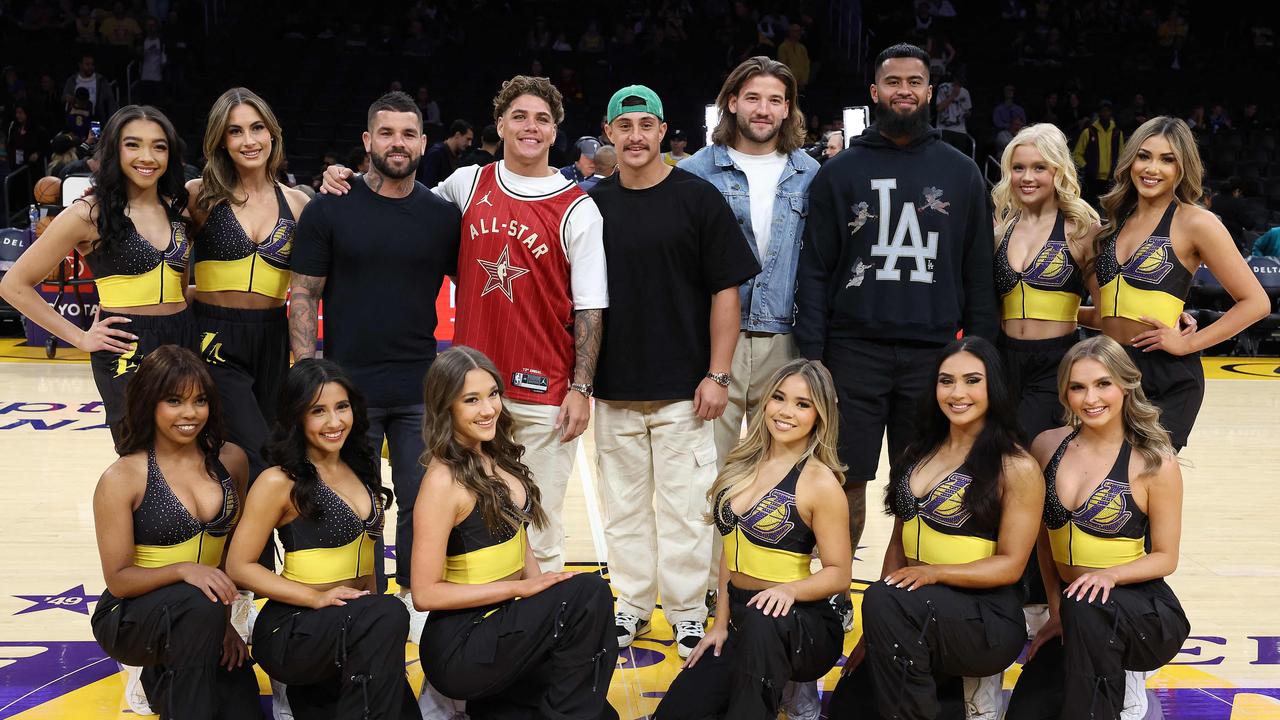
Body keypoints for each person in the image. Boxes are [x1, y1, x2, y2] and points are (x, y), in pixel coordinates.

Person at [321, 76, 608, 580]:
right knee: (462, 519)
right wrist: (345, 178)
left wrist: (581, 387)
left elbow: (589, 308)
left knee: (536, 519)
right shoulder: (468, 183)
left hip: (544, 389)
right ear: (499, 125)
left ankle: (541, 619)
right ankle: (464, 622)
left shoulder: (578, 207)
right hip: (468, 393)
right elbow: (399, 201)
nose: (530, 127)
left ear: (556, 130)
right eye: (519, 116)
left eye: (542, 118)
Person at [794, 42, 998, 571]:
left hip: (934, 351)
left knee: (926, 476)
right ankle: (833, 586)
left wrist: (981, 355)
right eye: (892, 82)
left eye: (913, 82)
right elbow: (814, 271)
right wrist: (812, 357)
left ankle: (909, 584)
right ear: (874, 91)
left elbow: (977, 273)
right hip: (852, 350)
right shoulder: (839, 172)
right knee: (845, 477)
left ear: (929, 92)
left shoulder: (961, 171)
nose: (903, 91)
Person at [588, 84, 760, 658]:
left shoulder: (698, 198)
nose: (636, 136)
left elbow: (726, 293)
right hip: (613, 389)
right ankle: (632, 605)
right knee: (625, 508)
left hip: (686, 390)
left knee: (688, 510)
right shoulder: (590, 205)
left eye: (646, 125)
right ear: (608, 134)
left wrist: (718, 374)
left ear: (664, 132)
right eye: (625, 125)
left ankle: (688, 610)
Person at [290, 91, 461, 625]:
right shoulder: (329, 209)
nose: (397, 143)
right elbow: (303, 294)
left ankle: (413, 595)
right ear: (367, 141)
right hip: (347, 390)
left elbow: (477, 291)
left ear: (423, 143)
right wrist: (307, 377)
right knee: (354, 504)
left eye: (408, 134)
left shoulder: (441, 216)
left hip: (419, 388)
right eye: (386, 133)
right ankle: (362, 598)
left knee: (419, 501)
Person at [826, 337, 1044, 720]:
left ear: (993, 385)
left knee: (884, 603)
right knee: (849, 706)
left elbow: (1011, 565)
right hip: (915, 609)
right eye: (947, 381)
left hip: (986, 618)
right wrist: (875, 632)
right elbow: (898, 542)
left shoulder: (1016, 466)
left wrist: (931, 574)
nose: (957, 393)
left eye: (972, 380)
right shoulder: (916, 452)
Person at [678, 56, 822, 630]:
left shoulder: (813, 174)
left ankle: (781, 589)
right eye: (753, 97)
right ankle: (713, 598)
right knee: (711, 476)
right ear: (731, 102)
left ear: (788, 109)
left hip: (787, 340)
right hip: (714, 344)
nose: (764, 109)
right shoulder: (694, 171)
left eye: (776, 100)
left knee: (782, 479)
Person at [411, 346, 620, 719]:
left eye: (492, 394)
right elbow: (425, 593)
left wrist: (538, 590)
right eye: (471, 400)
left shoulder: (496, 455)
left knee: (604, 715)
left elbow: (516, 538)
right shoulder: (442, 481)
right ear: (446, 408)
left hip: (504, 629)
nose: (489, 408)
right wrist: (520, 590)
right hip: (463, 645)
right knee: (589, 591)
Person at [1005, 335, 1190, 720]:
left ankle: (1129, 675)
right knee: (1028, 710)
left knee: (1087, 614)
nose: (1090, 399)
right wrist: (1056, 613)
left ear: (1125, 385)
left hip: (1143, 610)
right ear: (1064, 393)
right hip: (1077, 611)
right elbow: (1044, 542)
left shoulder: (1154, 460)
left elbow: (1165, 558)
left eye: (1103, 383)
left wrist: (1109, 576)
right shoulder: (1046, 446)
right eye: (1078, 387)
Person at [654, 359, 849, 719]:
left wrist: (789, 591)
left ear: (819, 415)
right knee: (677, 711)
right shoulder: (742, 462)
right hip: (745, 619)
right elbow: (731, 552)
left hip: (802, 623)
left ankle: (791, 685)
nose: (786, 411)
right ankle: (784, 687)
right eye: (779, 398)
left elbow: (839, 574)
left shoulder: (821, 482)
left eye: (802, 404)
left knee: (759, 637)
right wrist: (720, 624)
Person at [225, 359, 419, 719]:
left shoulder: (361, 467)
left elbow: (367, 569)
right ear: (297, 416)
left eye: (341, 407)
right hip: (294, 626)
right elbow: (239, 566)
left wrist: (377, 630)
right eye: (319, 411)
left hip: (354, 625)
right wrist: (316, 598)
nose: (334, 422)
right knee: (390, 614)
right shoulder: (279, 481)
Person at [0, 104, 194, 444]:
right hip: (126, 346)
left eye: (159, 146)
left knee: (189, 456)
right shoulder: (88, 213)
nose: (147, 156)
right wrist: (79, 338)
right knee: (144, 460)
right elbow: (13, 285)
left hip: (183, 340)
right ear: (114, 149)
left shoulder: (178, 208)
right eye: (133, 144)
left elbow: (179, 287)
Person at [89, 345, 262, 719]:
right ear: (150, 402)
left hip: (206, 613)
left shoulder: (232, 460)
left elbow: (232, 554)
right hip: (130, 615)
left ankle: (158, 674)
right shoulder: (123, 477)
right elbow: (119, 580)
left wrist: (224, 624)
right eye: (174, 400)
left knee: (243, 710)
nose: (190, 413)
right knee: (197, 608)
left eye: (200, 400)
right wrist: (185, 570)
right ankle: (146, 665)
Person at [1082, 116, 1267, 450]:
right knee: (1107, 489)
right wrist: (1055, 315)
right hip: (1109, 368)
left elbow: (1256, 302)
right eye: (1144, 156)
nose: (1152, 168)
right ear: (1130, 162)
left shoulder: (1196, 222)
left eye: (1167, 159)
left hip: (1166, 377)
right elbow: (1103, 314)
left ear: (1183, 168)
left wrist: (1186, 344)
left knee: (1144, 482)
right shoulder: (1109, 226)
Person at [188, 88, 309, 532]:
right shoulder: (199, 196)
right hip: (214, 337)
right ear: (221, 140)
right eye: (235, 131)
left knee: (275, 451)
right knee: (256, 452)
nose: (248, 140)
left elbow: (305, 291)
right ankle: (255, 572)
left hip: (273, 337)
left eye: (257, 128)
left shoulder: (298, 203)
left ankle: (254, 572)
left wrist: (305, 359)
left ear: (272, 134)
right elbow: (169, 267)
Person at [992, 123, 1100, 441]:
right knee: (1001, 457)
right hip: (1003, 359)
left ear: (1058, 171)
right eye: (1018, 168)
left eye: (1039, 167)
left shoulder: (1082, 230)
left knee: (1025, 447)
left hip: (1055, 361)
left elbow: (1107, 315)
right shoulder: (1000, 234)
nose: (1027, 177)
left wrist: (1062, 313)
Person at [1072, 101, 1124, 206]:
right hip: (1092, 179)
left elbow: (1122, 155)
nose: (1105, 113)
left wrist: (1118, 169)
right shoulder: (1089, 132)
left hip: (1110, 179)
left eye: (1108, 111)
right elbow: (1077, 153)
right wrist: (1086, 166)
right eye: (1103, 111)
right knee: (1090, 208)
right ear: (1099, 113)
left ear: (1111, 113)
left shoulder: (1117, 133)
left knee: (1108, 209)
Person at [419, 118, 473, 187]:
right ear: (457, 135)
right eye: (468, 139)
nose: (470, 144)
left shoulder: (457, 156)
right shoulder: (436, 153)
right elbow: (428, 185)